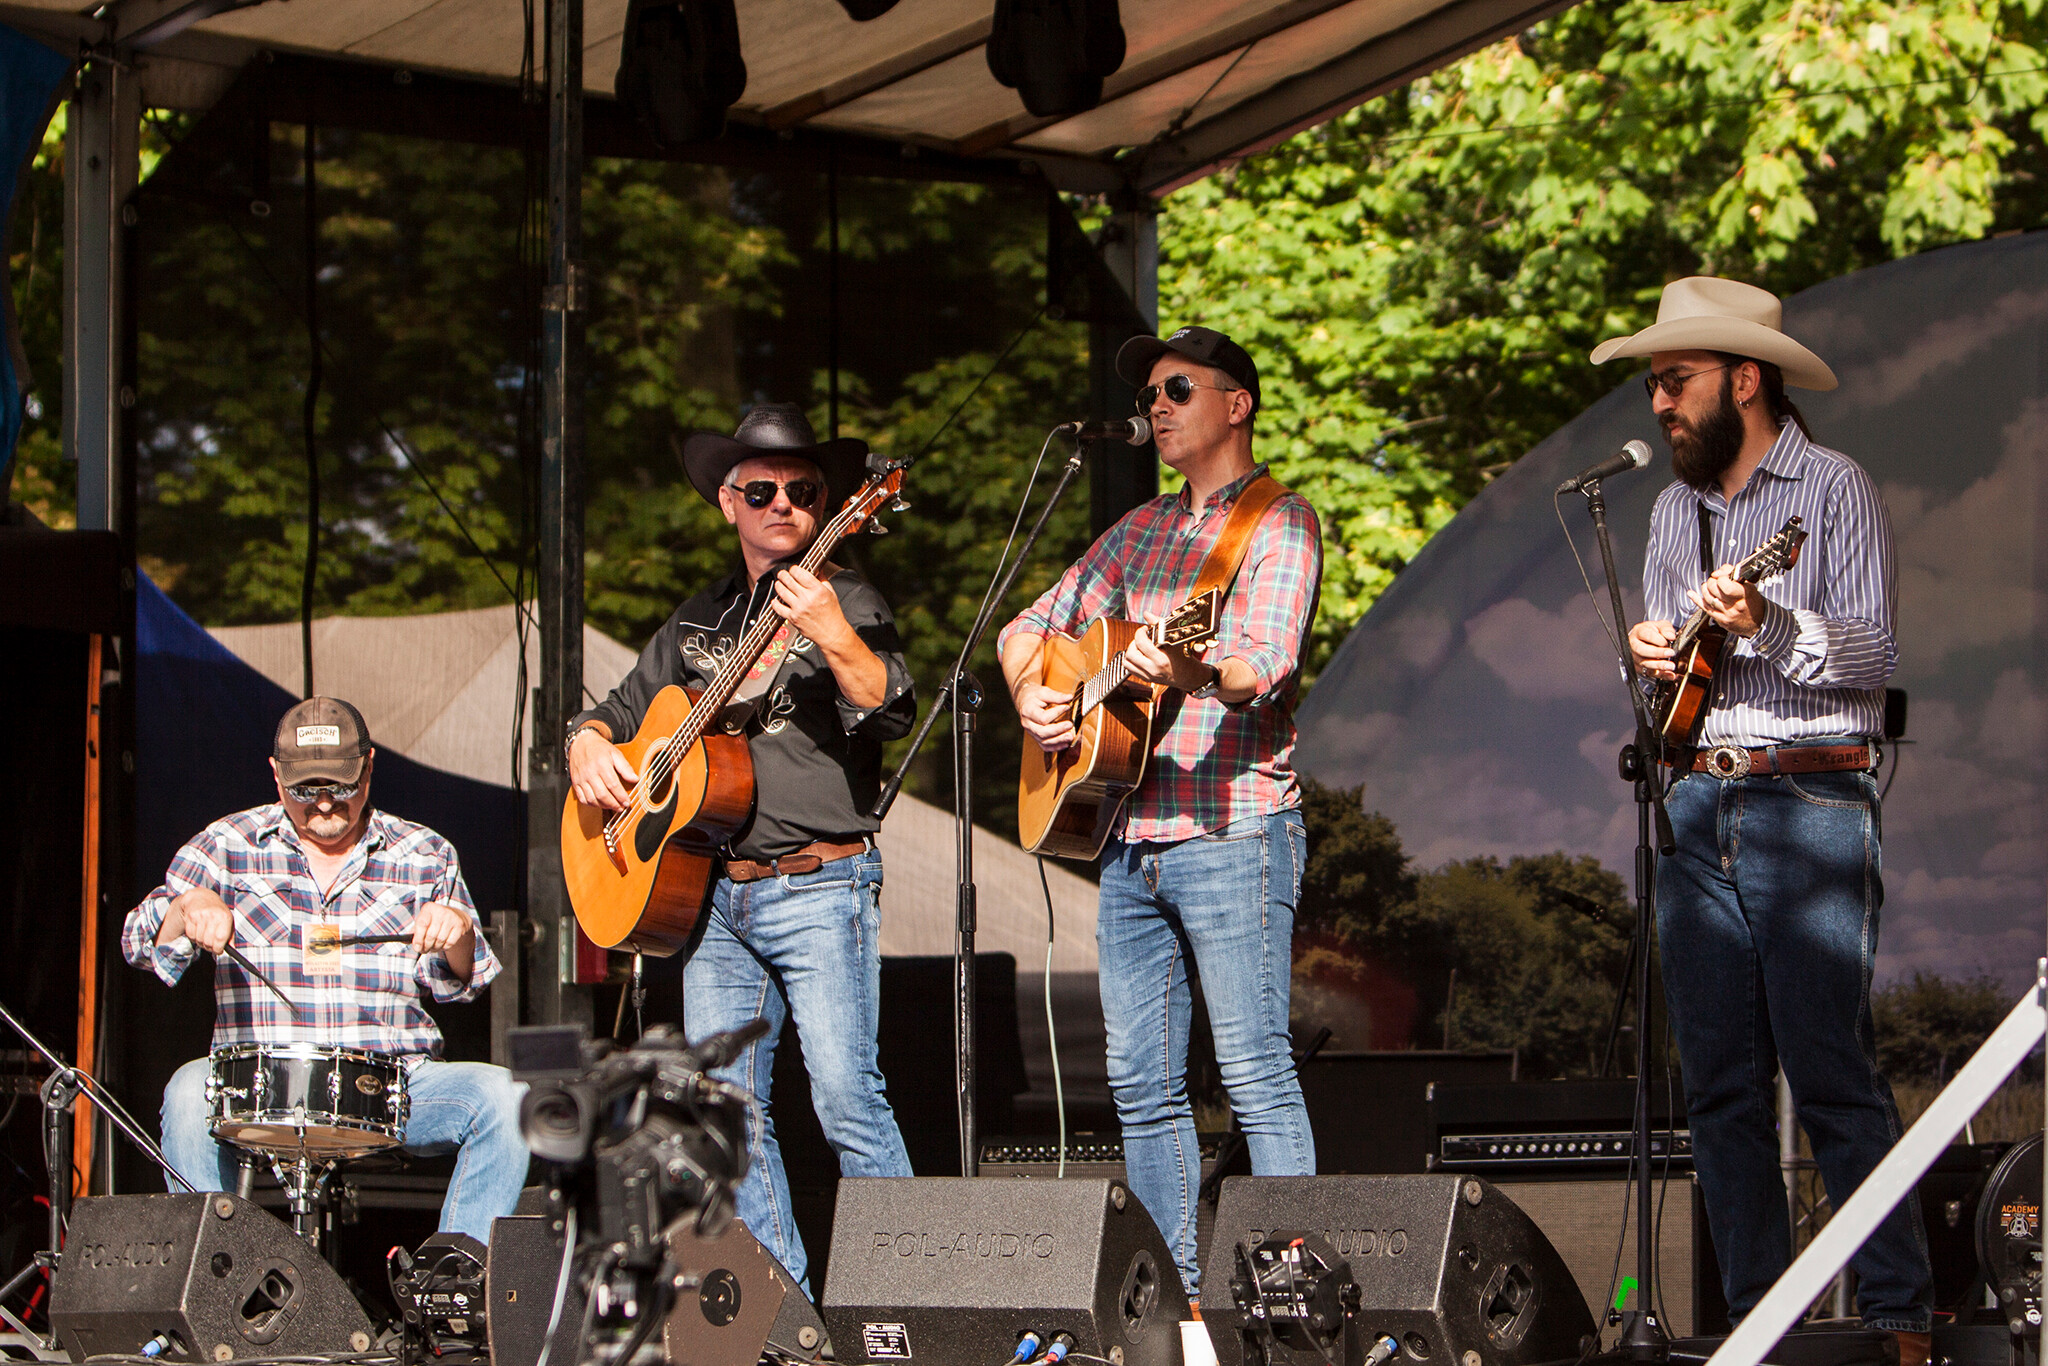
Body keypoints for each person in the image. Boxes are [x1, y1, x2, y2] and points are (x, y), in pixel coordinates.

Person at [1598, 277, 1932, 1359]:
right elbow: (1666, 680)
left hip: (1809, 796)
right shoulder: (1673, 512)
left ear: (1743, 379)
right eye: (1653, 384)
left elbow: (1872, 648)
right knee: (1719, 1086)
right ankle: (1758, 1324)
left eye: (1674, 380)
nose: (1659, 402)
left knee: (1828, 1066)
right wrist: (1649, 657)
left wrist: (1768, 619)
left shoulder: (1832, 488)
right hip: (1695, 796)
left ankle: (1897, 1316)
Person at [998, 327, 1321, 1292]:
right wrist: (1034, 693)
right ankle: (1175, 1303)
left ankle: (1293, 1297)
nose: (1155, 406)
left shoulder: (1279, 523)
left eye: (1177, 388)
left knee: (1255, 1072)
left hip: (1233, 829)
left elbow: (1263, 665)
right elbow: (1026, 627)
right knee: (1141, 1086)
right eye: (1148, 395)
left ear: (1237, 403)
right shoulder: (1136, 532)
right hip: (1129, 838)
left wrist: (1193, 667)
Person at [566, 403, 915, 1290]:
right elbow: (610, 713)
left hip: (818, 884)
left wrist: (831, 631)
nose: (783, 503)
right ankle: (782, 1309)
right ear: (729, 502)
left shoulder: (850, 599)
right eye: (761, 491)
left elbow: (890, 708)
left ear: (830, 503)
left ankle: (910, 1299)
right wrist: (585, 746)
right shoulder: (698, 619)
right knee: (726, 1109)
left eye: (803, 490)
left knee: (846, 1096)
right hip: (713, 894)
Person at [123, 696, 528, 1244]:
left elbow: (463, 980)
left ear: (369, 767)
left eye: (341, 785)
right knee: (188, 1090)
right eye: (304, 789)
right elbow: (137, 943)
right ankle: (215, 1275)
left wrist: (456, 932)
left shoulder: (425, 852)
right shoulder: (225, 844)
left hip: (390, 1084)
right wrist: (187, 907)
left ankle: (456, 1273)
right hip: (258, 1085)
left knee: (507, 1098)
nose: (323, 803)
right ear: (276, 774)